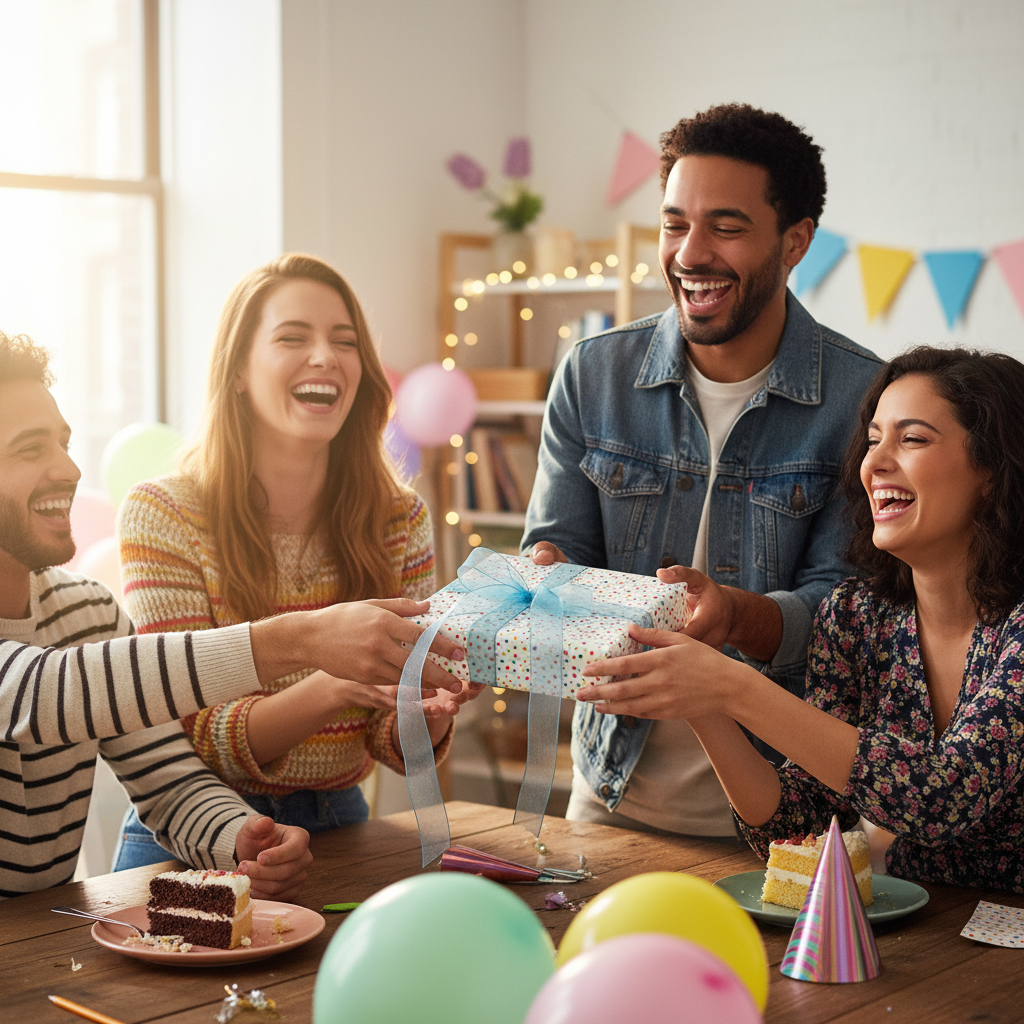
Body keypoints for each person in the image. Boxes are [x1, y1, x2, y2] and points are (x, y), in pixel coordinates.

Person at [0, 329, 465, 899]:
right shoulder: (162, 520)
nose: (70, 469)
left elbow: (166, 778)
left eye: (63, 443)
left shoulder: (87, 612)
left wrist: (241, 836)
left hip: (37, 937)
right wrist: (304, 639)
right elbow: (42, 693)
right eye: (30, 449)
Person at [522, 103, 881, 840]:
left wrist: (737, 615)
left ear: (795, 242)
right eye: (674, 223)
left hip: (787, 817)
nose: (690, 253)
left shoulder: (863, 398)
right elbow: (558, 549)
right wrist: (546, 576)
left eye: (726, 227)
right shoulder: (592, 374)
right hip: (609, 795)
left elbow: (847, 619)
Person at [578, 347, 1024, 893]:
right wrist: (701, 700)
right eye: (873, 439)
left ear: (993, 470)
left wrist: (734, 686)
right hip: (930, 925)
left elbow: (942, 797)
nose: (875, 463)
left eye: (912, 439)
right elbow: (799, 828)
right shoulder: (855, 615)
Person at [113, 254, 480, 869]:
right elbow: (198, 740)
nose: (325, 357)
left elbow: (394, 745)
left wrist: (432, 709)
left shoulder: (399, 518)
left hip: (340, 827)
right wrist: (336, 683)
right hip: (188, 834)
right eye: (292, 337)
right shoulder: (163, 513)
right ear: (237, 370)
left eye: (345, 341)